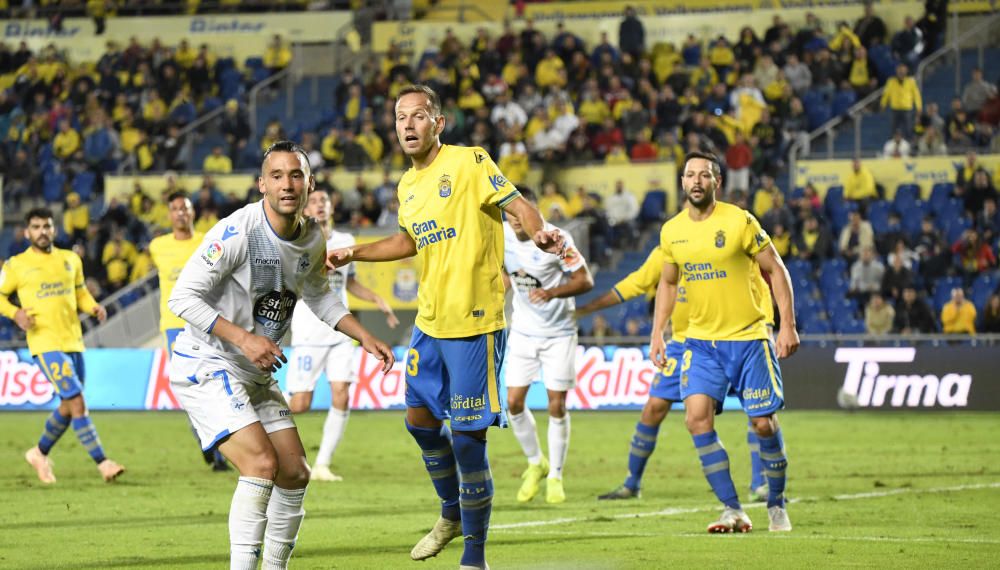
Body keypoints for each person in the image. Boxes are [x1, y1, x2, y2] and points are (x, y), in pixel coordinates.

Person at [327, 85, 563, 570]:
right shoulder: (408, 186)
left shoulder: (470, 162)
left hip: (476, 324)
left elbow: (518, 205)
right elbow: (407, 241)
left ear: (438, 122)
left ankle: (475, 558)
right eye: (400, 118)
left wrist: (537, 230)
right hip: (429, 324)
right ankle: (451, 515)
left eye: (418, 116)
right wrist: (354, 251)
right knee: (418, 421)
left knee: (468, 439)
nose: (407, 125)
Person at [167, 141, 395, 569]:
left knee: (295, 473)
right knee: (260, 462)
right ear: (261, 185)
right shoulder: (236, 232)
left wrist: (363, 335)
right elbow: (182, 298)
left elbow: (319, 296)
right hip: (207, 361)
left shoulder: (312, 238)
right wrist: (245, 339)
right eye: (277, 176)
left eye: (295, 175)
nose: (287, 184)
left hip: (254, 373)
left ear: (309, 184)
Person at [650, 151, 799, 533]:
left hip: (749, 339)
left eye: (704, 175)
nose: (696, 181)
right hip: (700, 344)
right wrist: (658, 332)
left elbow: (776, 270)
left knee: (763, 424)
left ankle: (777, 503)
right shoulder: (672, 231)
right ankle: (732, 509)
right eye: (689, 175)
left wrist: (787, 326)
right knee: (696, 419)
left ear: (718, 182)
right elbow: (667, 282)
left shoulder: (739, 221)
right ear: (682, 182)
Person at [583, 245, 773, 503]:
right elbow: (634, 284)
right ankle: (632, 483)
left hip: (737, 338)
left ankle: (761, 484)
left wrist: (769, 325)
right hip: (685, 343)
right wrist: (588, 307)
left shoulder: (728, 242)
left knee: (759, 413)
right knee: (653, 408)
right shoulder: (668, 249)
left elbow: (757, 283)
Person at [0, 208, 124, 484]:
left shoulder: (70, 259)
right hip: (44, 342)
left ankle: (38, 452)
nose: (42, 231)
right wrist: (15, 314)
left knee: (69, 406)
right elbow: (1, 297)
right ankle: (103, 463)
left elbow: (79, 291)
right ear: (27, 231)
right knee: (77, 401)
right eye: (36, 227)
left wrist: (92, 307)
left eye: (46, 226)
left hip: (73, 341)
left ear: (54, 229)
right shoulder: (15, 265)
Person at [285, 188, 399, 483]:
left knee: (342, 394)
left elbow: (350, 282)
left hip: (340, 331)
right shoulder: (297, 240)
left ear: (330, 207)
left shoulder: (346, 242)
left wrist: (377, 300)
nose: (319, 206)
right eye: (313, 202)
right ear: (305, 209)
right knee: (300, 404)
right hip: (309, 331)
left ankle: (322, 464)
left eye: (323, 201)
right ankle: (262, 420)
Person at [502, 187, 594, 505]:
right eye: (509, 212)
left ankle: (555, 474)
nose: (515, 219)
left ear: (534, 212)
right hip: (524, 332)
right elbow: (507, 274)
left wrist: (552, 294)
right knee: (513, 403)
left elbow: (585, 281)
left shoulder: (558, 240)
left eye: (521, 211)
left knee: (556, 405)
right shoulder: (499, 236)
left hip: (558, 333)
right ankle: (535, 462)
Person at [149, 190, 230, 472]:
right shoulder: (157, 246)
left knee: (215, 384)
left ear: (193, 212)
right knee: (193, 387)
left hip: (207, 321)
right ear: (169, 214)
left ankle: (215, 445)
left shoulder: (208, 242)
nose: (181, 213)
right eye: (175, 209)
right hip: (174, 326)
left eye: (185, 208)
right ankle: (210, 444)